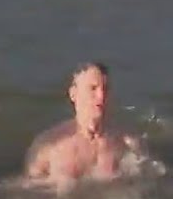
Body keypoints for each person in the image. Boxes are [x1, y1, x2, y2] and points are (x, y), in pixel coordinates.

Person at [23, 61, 145, 189]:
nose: (101, 96)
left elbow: (146, 184)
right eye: (93, 88)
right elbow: (27, 191)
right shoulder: (48, 147)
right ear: (73, 94)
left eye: (105, 89)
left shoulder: (128, 143)